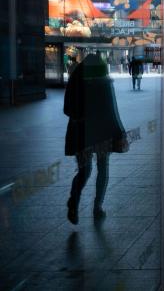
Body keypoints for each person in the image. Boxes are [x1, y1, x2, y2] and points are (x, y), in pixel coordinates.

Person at [64, 54, 128, 224]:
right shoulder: (104, 84)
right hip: (101, 133)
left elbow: (68, 109)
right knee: (102, 168)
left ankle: (74, 200)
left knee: (84, 171)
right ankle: (97, 207)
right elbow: (111, 110)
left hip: (81, 133)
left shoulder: (76, 82)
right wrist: (119, 132)